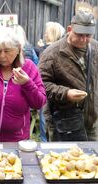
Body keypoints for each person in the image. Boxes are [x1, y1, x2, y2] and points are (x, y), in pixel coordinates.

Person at [39, 10, 98, 141]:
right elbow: (41, 85)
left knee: (91, 160)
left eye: (88, 35)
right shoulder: (51, 53)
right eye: (79, 34)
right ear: (70, 29)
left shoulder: (95, 48)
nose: (84, 39)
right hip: (63, 123)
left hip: (92, 121)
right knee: (64, 160)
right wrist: (66, 93)